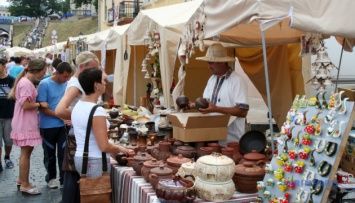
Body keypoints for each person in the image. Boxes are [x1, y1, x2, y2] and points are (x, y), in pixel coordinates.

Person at [55, 51, 101, 203]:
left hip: (78, 133)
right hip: (79, 135)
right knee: (78, 176)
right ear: (81, 67)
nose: (96, 72)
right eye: (93, 68)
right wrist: (82, 117)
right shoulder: (76, 84)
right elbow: (60, 110)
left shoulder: (79, 80)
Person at [189, 43, 249, 146]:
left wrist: (216, 109)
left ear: (221, 62)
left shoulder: (237, 81)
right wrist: (192, 105)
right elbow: (207, 104)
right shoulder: (212, 79)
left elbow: (243, 111)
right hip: (212, 138)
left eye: (211, 63)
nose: (208, 67)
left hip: (231, 142)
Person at [72, 68, 128, 177]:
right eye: (103, 80)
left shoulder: (78, 105)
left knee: (90, 193)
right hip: (95, 161)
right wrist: (120, 148)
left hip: (82, 157)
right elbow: (104, 146)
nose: (105, 83)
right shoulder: (96, 110)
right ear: (96, 85)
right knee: (99, 193)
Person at [8, 59, 48, 195]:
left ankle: (22, 179)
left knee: (26, 153)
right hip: (25, 121)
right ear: (37, 71)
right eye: (44, 71)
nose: (45, 73)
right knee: (25, 154)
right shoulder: (26, 83)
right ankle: (25, 184)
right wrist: (40, 104)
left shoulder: (24, 81)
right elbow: (25, 105)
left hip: (24, 120)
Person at [37, 62, 72, 189]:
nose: (66, 79)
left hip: (63, 125)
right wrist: (60, 115)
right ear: (57, 73)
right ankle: (51, 178)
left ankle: (64, 179)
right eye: (65, 76)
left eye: (68, 77)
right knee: (49, 153)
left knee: (64, 153)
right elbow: (42, 107)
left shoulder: (67, 85)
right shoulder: (44, 84)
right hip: (48, 126)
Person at [0, 58, 15, 171]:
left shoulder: (11, 80)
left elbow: (16, 97)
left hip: (9, 114)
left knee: (8, 140)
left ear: (4, 66)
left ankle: (7, 157)